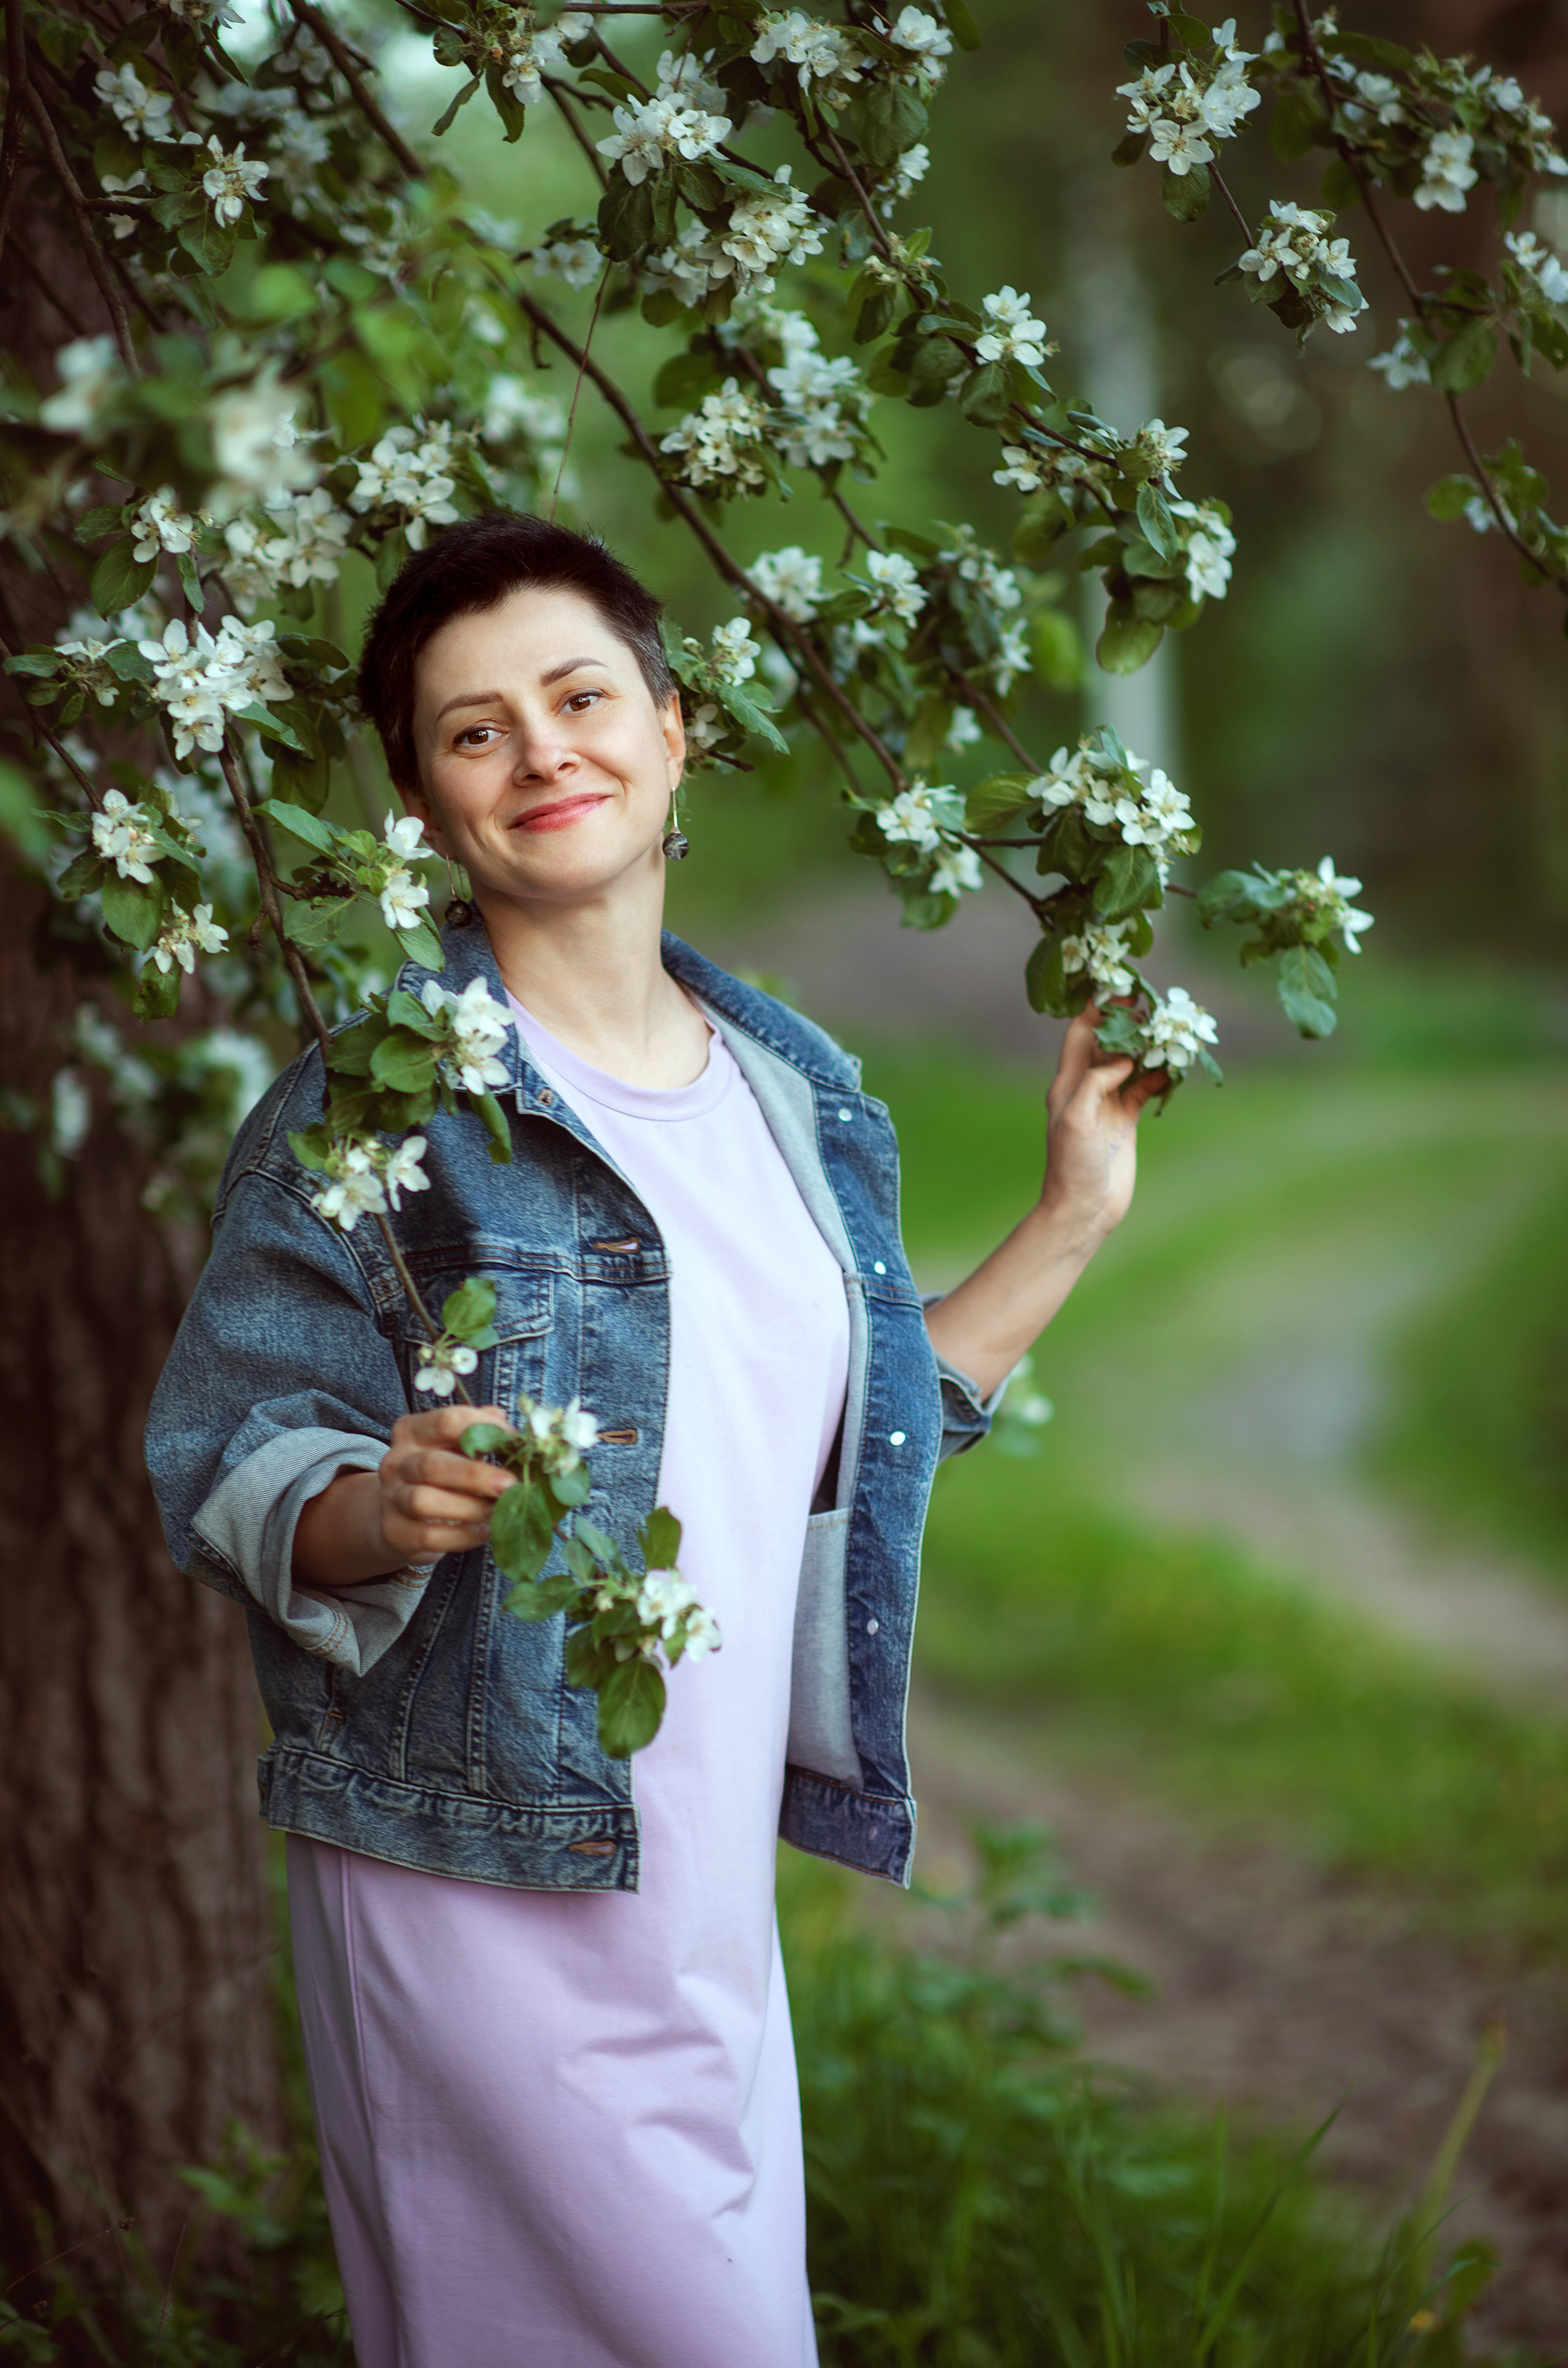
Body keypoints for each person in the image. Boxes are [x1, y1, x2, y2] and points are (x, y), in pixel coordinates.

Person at [146, 513, 1161, 2368]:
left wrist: (1076, 1209)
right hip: (470, 1884)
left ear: (673, 728)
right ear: (428, 806)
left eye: (580, 694)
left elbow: (841, 1439)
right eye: (474, 730)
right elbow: (229, 1456)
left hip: (695, 1898)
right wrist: (380, 1500)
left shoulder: (798, 1096)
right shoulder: (373, 1111)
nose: (543, 751)